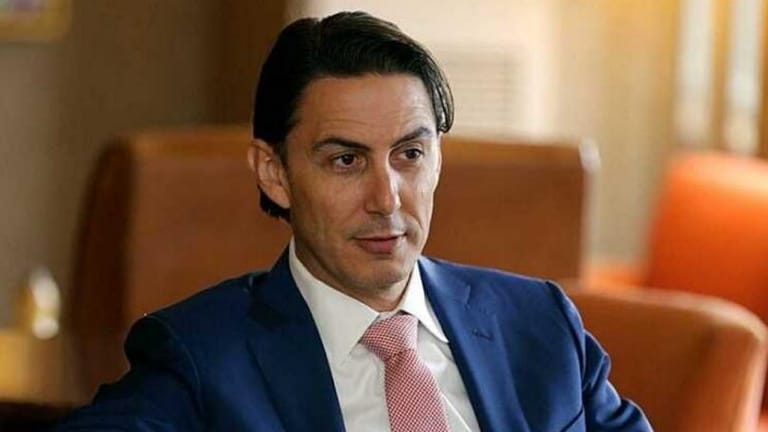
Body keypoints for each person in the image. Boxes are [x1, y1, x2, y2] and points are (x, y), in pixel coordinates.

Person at [57, 11, 651, 432]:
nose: (386, 198)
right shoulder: (201, 356)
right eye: (346, 161)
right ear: (274, 172)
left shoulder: (540, 324)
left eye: (410, 154)